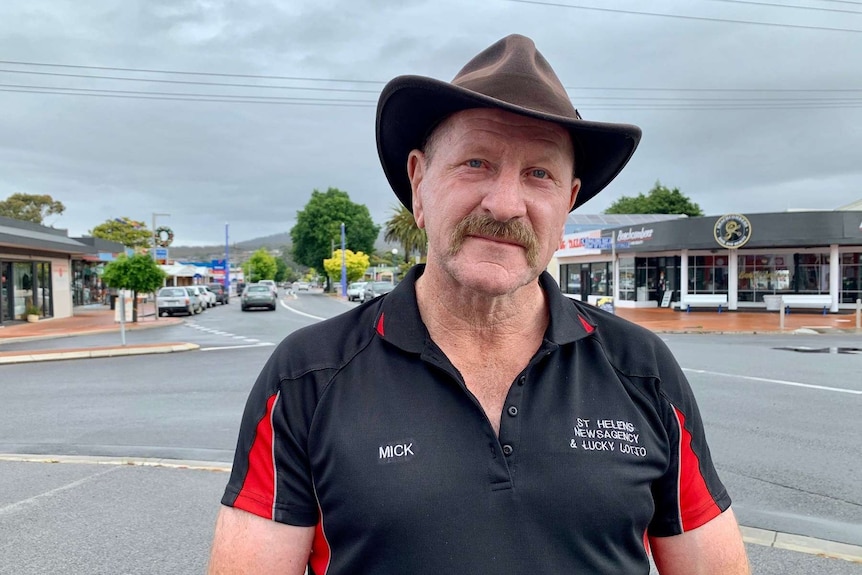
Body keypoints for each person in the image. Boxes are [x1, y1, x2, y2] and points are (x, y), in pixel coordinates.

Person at [208, 35, 750, 574]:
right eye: (476, 162)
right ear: (419, 184)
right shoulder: (307, 377)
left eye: (539, 174)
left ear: (567, 204)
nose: (505, 204)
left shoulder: (642, 368)